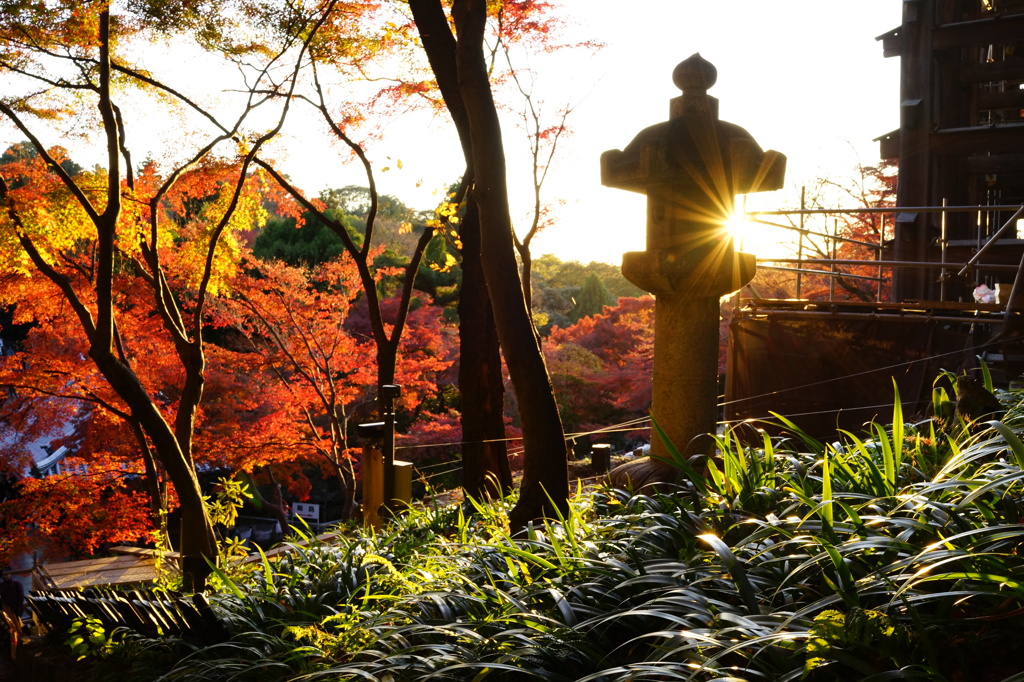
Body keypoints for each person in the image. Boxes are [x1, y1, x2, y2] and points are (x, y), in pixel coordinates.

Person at [0, 569, 24, 660]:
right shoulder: (1, 585)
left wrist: (19, 608)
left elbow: (20, 596)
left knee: (17, 626)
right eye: (4, 575)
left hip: (15, 608)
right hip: (6, 610)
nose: (6, 576)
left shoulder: (17, 584)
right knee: (9, 628)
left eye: (7, 575)